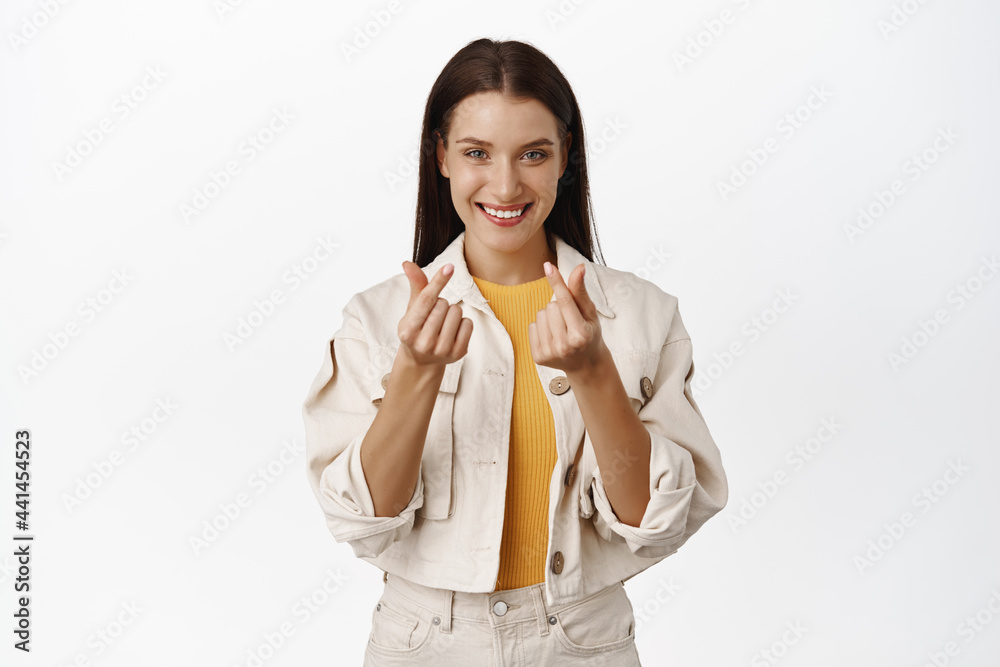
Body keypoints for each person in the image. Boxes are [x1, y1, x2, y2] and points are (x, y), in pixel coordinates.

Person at [302, 37, 729, 666]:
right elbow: (364, 522)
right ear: (441, 156)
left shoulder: (643, 314)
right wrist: (417, 371)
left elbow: (653, 523)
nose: (505, 186)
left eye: (533, 154)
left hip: (583, 640)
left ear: (565, 158)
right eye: (477, 152)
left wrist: (593, 372)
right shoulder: (375, 319)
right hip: (424, 642)